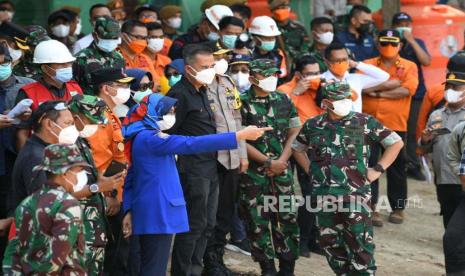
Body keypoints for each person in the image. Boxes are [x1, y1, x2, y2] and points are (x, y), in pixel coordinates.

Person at [121, 93, 269, 276]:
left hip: (151, 211)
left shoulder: (141, 137)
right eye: (168, 112)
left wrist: (128, 209)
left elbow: (131, 176)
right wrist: (238, 135)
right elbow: (192, 143)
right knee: (154, 267)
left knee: (148, 264)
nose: (172, 116)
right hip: (158, 213)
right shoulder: (150, 139)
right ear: (152, 113)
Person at [292, 81, 403, 276]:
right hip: (324, 196)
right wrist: (311, 169)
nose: (345, 103)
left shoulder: (365, 122)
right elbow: (297, 148)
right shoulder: (313, 125)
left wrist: (377, 169)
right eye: (339, 99)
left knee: (360, 247)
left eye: (347, 98)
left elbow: (395, 143)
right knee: (330, 245)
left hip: (355, 196)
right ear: (326, 102)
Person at [8, 100, 124, 275]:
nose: (73, 129)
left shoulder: (51, 150)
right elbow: (50, 201)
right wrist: (95, 187)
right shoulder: (37, 156)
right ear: (48, 124)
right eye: (68, 123)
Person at [239, 59, 301, 275]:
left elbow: (295, 130)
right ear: (253, 78)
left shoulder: (283, 99)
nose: (272, 79)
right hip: (253, 174)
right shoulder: (241, 102)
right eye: (267, 75)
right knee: (257, 221)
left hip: (282, 171)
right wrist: (267, 162)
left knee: (287, 218)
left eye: (274, 74)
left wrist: (281, 160)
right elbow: (239, 139)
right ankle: (267, 269)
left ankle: (287, 268)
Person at [165, 43, 221, 276]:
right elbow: (167, 132)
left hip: (210, 165)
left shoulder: (203, 89)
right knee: (193, 225)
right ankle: (183, 272)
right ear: (189, 69)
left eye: (212, 65)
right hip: (191, 168)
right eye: (204, 67)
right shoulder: (179, 94)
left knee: (207, 224)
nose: (210, 70)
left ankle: (195, 270)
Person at [3, 144, 88, 275]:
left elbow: (13, 252)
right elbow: (56, 260)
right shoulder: (68, 205)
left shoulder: (26, 203)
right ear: (64, 173)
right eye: (78, 171)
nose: (80, 177)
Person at [201, 41, 248, 275]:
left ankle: (216, 259)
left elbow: (237, 120)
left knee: (226, 212)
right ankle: (205, 261)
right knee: (207, 214)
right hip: (209, 158)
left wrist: (243, 153)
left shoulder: (228, 83)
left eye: (224, 56)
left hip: (231, 156)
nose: (223, 60)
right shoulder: (199, 85)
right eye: (217, 56)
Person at [363, 29, 419, 226]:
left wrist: (377, 92)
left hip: (396, 122)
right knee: (369, 164)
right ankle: (372, 208)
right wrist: (388, 85)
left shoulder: (409, 66)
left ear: (400, 46)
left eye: (393, 43)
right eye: (384, 42)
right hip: (368, 123)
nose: (388, 47)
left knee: (397, 167)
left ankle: (398, 207)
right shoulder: (367, 65)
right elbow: (361, 88)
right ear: (378, 44)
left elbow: (406, 90)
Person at [15, 39, 82, 150]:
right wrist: (29, 160)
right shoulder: (28, 93)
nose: (67, 67)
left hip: (73, 152)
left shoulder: (75, 87)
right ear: (45, 68)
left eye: (69, 63)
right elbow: (22, 133)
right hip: (43, 154)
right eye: (61, 65)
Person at [0, 44, 34, 261]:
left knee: (15, 217)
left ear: (11, 61)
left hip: (17, 161)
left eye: (3, 62)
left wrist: (26, 117)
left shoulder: (27, 87)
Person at [420, 71, 465, 228]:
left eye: (456, 87)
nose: (451, 90)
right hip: (443, 178)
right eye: (448, 86)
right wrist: (425, 140)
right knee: (448, 214)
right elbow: (425, 147)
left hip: (462, 179)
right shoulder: (436, 115)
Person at [391, 12, 432, 181]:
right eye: (401, 24)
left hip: (416, 93)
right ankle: (395, 161)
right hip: (395, 93)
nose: (404, 26)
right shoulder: (390, 43)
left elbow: (426, 61)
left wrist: (412, 41)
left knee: (413, 129)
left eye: (407, 23)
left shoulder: (418, 42)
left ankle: (413, 164)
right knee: (396, 130)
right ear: (394, 26)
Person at [321, 42, 390, 112]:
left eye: (344, 59)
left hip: (356, 122)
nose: (342, 62)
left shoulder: (355, 79)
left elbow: (383, 76)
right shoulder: (321, 80)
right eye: (338, 60)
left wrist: (357, 64)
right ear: (327, 62)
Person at [74, 16, 125, 95]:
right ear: (95, 35)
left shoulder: (119, 57)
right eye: (106, 38)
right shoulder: (81, 58)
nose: (110, 41)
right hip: (90, 104)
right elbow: (73, 87)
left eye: (114, 38)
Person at [168, 5, 233, 60]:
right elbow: (176, 63)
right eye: (215, 29)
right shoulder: (182, 42)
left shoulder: (224, 45)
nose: (218, 34)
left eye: (222, 31)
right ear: (204, 23)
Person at [279, 55, 323, 123]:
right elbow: (281, 114)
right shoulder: (283, 90)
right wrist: (294, 94)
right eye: (310, 74)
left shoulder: (322, 86)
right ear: (298, 75)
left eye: (317, 73)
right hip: (301, 132)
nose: (315, 77)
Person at [249, 16, 288, 80]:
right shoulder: (247, 54)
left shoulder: (278, 54)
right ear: (255, 38)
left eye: (273, 37)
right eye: (267, 38)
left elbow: (281, 77)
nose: (271, 41)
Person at [144, 22, 172, 90]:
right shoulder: (138, 60)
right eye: (153, 37)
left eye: (161, 37)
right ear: (145, 38)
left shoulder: (167, 61)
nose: (158, 40)